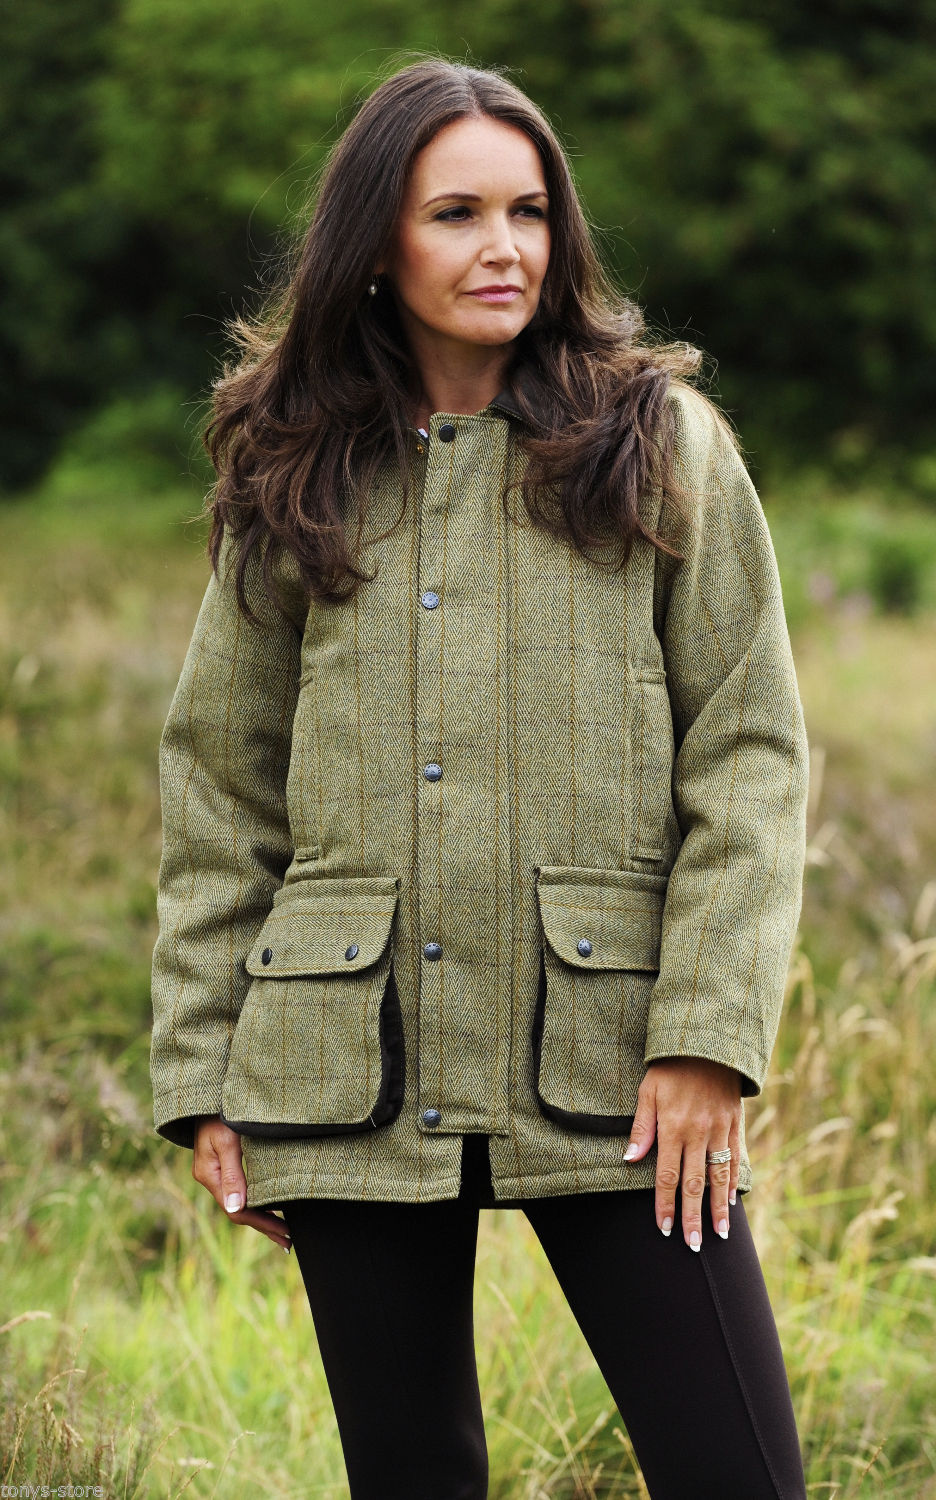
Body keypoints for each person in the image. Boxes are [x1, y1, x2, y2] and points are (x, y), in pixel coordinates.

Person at [149, 56, 810, 1500]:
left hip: (622, 1060)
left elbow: (751, 754)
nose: (504, 247)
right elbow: (220, 784)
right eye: (455, 214)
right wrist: (206, 1075)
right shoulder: (294, 467)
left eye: (529, 211)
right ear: (374, 245)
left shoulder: (661, 446)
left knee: (738, 1475)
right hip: (343, 1060)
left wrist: (709, 1037)